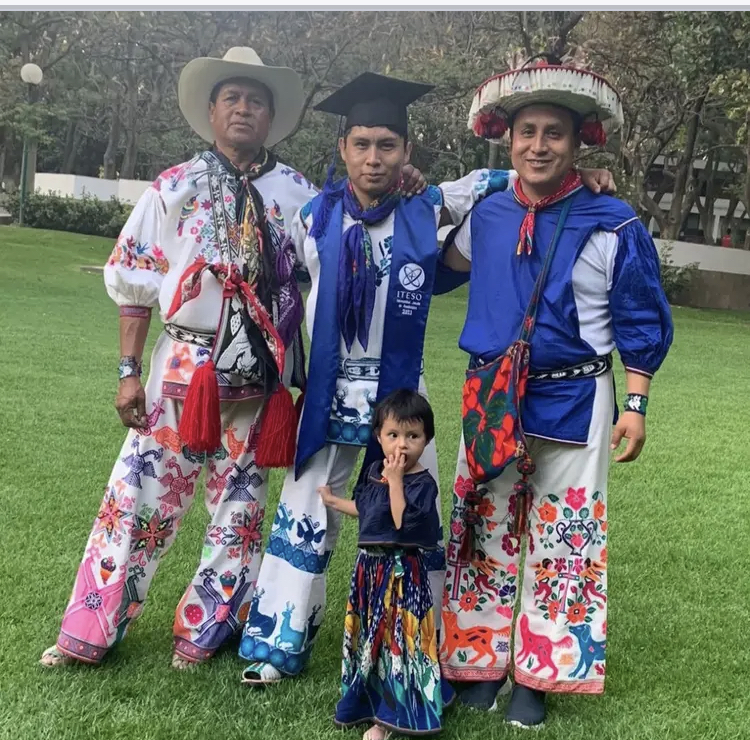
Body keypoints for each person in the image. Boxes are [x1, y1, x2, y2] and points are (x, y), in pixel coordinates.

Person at [237, 72, 615, 684]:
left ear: (407, 153)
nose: (374, 158)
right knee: (306, 510)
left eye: (388, 145)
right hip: (332, 393)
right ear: (343, 149)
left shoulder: (426, 209)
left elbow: (512, 180)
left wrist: (583, 181)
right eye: (361, 144)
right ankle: (278, 641)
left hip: (402, 403)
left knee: (416, 519)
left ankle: (418, 643)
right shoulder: (312, 218)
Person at [40, 47, 338, 670]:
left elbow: (329, 269)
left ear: (270, 115)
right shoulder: (173, 187)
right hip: (182, 372)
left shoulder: (300, 197)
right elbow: (134, 282)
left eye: (255, 100)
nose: (243, 109)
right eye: (232, 97)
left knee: (240, 510)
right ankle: (92, 628)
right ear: (211, 110)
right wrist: (126, 374)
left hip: (259, 385)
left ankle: (205, 632)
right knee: (138, 497)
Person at [437, 57, 674, 728]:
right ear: (508, 140)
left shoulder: (612, 221)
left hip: (575, 400)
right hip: (491, 398)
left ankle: (539, 672)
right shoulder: (485, 215)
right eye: (527, 132)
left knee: (563, 536)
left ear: (578, 143)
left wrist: (637, 404)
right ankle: (476, 660)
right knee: (482, 528)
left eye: (554, 134)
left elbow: (640, 318)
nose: (539, 145)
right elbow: (433, 266)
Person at [319, 389, 453, 740]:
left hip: (401, 576)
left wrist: (396, 482)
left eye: (413, 436)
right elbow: (368, 510)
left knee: (399, 643)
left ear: (427, 439)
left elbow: (400, 520)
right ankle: (368, 700)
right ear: (378, 436)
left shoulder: (423, 484)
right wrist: (335, 502)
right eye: (393, 435)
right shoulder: (377, 471)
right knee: (371, 638)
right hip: (369, 570)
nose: (402, 446)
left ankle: (392, 717)